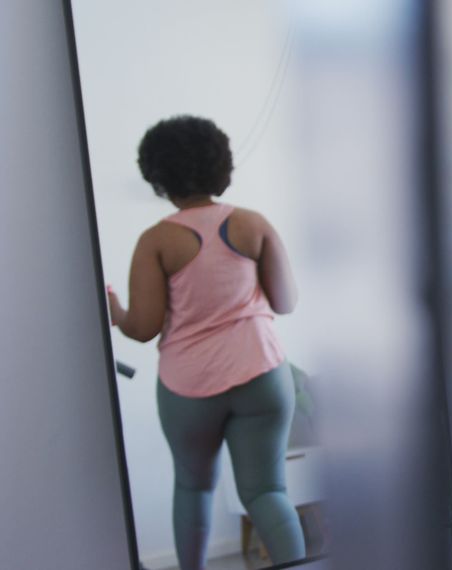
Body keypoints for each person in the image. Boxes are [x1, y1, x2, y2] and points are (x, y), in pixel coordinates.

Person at [107, 115, 306, 569]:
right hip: (262, 375)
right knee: (268, 492)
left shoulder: (156, 241)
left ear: (157, 177)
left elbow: (142, 326)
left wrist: (115, 312)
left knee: (193, 487)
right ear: (222, 165)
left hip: (190, 387)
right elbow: (286, 301)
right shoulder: (254, 225)